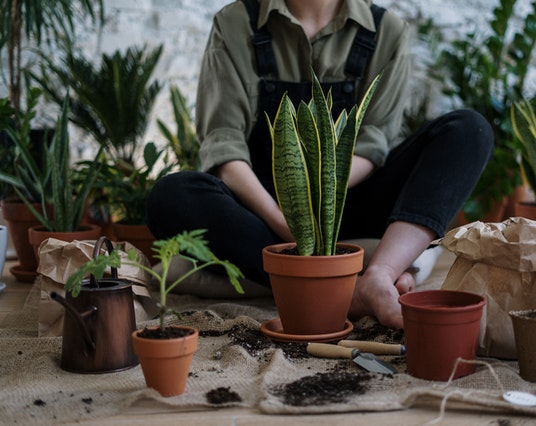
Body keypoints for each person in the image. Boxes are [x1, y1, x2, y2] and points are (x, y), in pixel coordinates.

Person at [146, 0, 493, 329]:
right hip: (264, 215)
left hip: (349, 200)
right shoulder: (235, 23)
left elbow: (372, 145)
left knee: (468, 130)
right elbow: (224, 146)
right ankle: (341, 287)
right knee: (172, 195)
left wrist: (322, 209)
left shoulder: (386, 30)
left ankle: (378, 276)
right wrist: (288, 223)